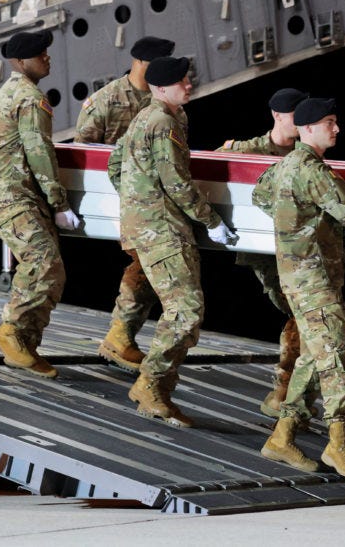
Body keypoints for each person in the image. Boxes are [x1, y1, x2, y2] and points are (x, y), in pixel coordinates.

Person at [251, 97, 345, 479]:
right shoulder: (312, 170)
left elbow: (259, 195)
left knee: (312, 357)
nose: (336, 128)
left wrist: (298, 225)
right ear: (307, 128)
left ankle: (282, 437)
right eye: (329, 122)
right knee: (338, 357)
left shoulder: (284, 166)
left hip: (299, 277)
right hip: (314, 280)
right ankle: (338, 443)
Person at [107, 56, 236, 427]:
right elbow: (177, 183)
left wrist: (137, 200)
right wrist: (211, 221)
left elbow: (115, 165)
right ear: (161, 88)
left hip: (147, 226)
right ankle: (151, 386)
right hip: (162, 230)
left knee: (177, 306)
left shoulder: (147, 117)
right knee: (186, 312)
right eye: (182, 81)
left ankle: (151, 382)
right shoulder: (163, 122)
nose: (189, 85)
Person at [0, 30, 82, 379]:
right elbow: (40, 154)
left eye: (46, 51)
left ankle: (24, 343)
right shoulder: (30, 98)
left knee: (51, 269)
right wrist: (60, 204)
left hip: (12, 193)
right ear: (20, 62)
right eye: (39, 54)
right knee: (43, 261)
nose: (46, 57)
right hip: (6, 194)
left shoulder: (13, 90)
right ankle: (11, 333)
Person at [73, 36, 176, 372]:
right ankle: (120, 336)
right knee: (148, 263)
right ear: (141, 62)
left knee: (149, 265)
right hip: (118, 202)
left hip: (154, 203)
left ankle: (123, 335)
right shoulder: (107, 99)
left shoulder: (164, 99)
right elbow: (84, 154)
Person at [215, 87, 320, 419]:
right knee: (303, 315)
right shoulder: (249, 151)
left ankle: (291, 395)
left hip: (301, 251)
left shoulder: (308, 152)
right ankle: (284, 393)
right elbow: (209, 170)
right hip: (269, 252)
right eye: (294, 114)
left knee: (305, 317)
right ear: (276, 115)